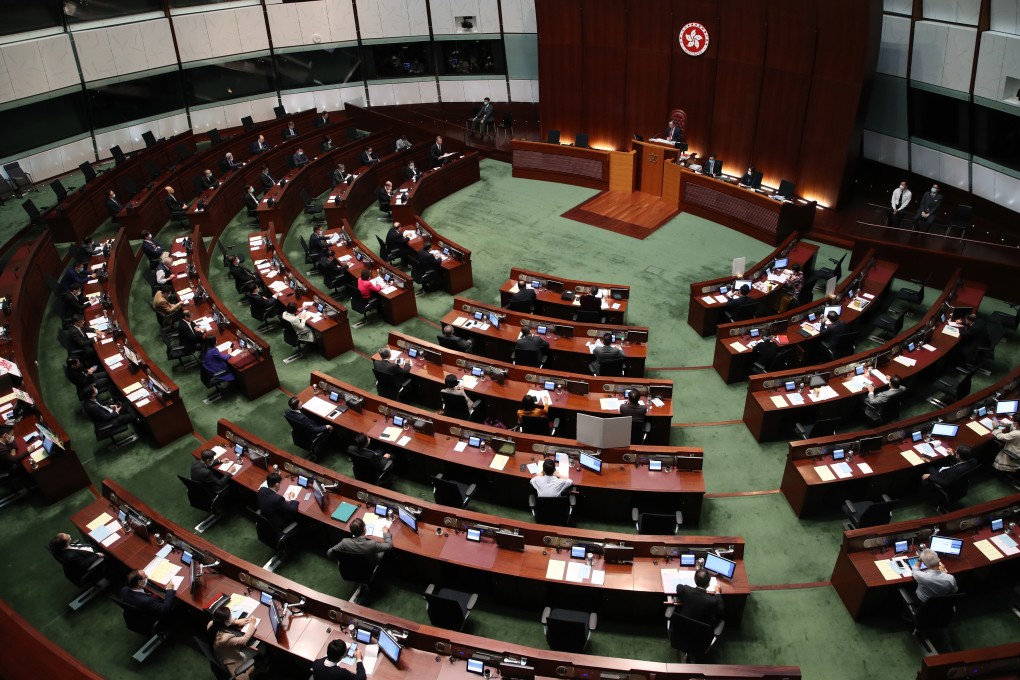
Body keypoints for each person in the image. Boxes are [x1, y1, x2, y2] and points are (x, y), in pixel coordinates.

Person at [207, 606, 257, 680]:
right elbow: (245, 639)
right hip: (233, 660)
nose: (232, 617)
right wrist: (252, 624)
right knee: (260, 647)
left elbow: (223, 622)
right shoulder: (225, 639)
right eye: (231, 616)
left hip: (221, 653)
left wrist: (236, 621)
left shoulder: (211, 624)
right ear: (226, 622)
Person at [327, 517, 392, 563]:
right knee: (381, 553)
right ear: (364, 529)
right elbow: (388, 545)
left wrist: (342, 560)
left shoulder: (344, 542)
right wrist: (385, 533)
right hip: (368, 566)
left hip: (351, 565)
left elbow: (329, 553)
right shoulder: (372, 544)